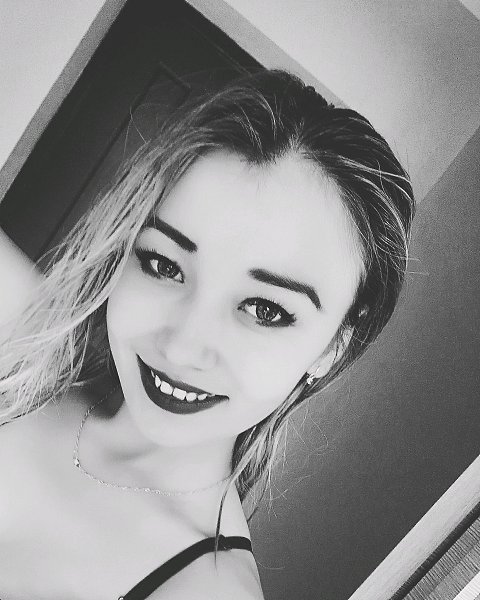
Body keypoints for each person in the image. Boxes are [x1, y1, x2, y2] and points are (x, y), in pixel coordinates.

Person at [0, 69, 414, 599]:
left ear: (333, 347)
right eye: (164, 265)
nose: (181, 346)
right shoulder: (31, 351)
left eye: (265, 309)